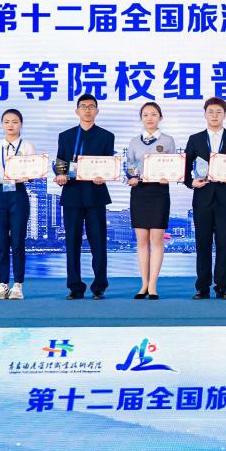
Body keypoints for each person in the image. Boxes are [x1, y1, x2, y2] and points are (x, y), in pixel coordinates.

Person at [183, 97, 226, 300]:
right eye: (210, 111)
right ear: (205, 114)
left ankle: (222, 287)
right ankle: (202, 287)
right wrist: (190, 182)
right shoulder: (195, 139)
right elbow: (184, 166)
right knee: (202, 244)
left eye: (219, 112)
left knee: (224, 244)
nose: (214, 115)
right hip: (203, 196)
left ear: (224, 115)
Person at [55, 94, 115, 300]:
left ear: (96, 111)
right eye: (83, 106)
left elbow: (109, 164)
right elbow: (60, 162)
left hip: (95, 194)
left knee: (98, 243)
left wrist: (104, 176)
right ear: (77, 111)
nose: (87, 110)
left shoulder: (106, 136)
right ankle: (75, 287)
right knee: (72, 243)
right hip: (72, 195)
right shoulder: (66, 136)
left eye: (91, 107)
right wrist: (60, 175)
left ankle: (99, 286)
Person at [0, 108, 36, 300]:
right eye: (6, 121)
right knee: (1, 242)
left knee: (18, 241)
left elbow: (33, 171)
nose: (10, 125)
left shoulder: (27, 146)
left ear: (21, 124)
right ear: (2, 124)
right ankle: (2, 285)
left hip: (18, 194)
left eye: (14, 121)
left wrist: (29, 175)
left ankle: (18, 285)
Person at [125, 101, 176, 300]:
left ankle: (153, 285)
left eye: (154, 114)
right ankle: (143, 284)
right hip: (139, 192)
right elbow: (130, 166)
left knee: (157, 239)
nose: (150, 118)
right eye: (145, 115)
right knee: (141, 240)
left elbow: (174, 166)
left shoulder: (168, 140)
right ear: (141, 118)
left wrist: (168, 176)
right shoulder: (133, 142)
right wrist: (131, 177)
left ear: (160, 117)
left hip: (159, 192)